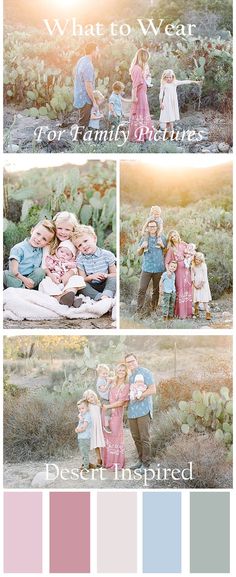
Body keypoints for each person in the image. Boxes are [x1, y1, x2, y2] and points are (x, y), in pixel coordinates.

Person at [125, 353, 156, 474]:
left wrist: (142, 395)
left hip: (143, 410)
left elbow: (153, 389)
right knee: (136, 437)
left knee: (144, 437)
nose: (130, 363)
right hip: (132, 411)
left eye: (132, 361)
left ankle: (146, 463)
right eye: (128, 362)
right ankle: (140, 460)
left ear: (137, 360)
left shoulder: (146, 372)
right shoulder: (131, 376)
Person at [3, 219, 56, 289]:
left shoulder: (41, 250)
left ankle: (24, 290)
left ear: (47, 243)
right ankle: (23, 290)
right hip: (16, 277)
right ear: (32, 230)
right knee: (5, 274)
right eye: (38, 234)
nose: (39, 239)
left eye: (44, 239)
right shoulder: (19, 248)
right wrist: (25, 280)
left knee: (40, 272)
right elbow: (14, 271)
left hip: (31, 279)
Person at [73, 225, 116, 301]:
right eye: (80, 245)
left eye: (85, 241)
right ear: (78, 248)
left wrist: (106, 275)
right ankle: (99, 297)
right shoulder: (80, 259)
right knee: (80, 284)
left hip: (105, 284)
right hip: (92, 286)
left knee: (113, 279)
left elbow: (114, 274)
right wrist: (92, 277)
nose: (84, 246)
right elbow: (83, 279)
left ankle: (106, 295)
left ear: (94, 238)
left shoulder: (107, 255)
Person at [39, 240, 85, 307]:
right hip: (54, 280)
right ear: (57, 251)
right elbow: (46, 267)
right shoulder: (52, 259)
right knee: (45, 282)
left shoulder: (71, 263)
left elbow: (76, 269)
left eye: (67, 254)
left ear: (72, 257)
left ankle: (68, 296)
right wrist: (51, 274)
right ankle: (63, 298)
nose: (63, 254)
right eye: (61, 251)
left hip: (66, 284)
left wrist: (69, 274)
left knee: (77, 278)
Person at [101, 363, 130, 471]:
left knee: (115, 435)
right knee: (107, 436)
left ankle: (116, 463)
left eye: (123, 370)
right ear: (116, 371)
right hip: (106, 412)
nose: (121, 372)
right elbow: (104, 378)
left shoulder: (126, 385)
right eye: (119, 370)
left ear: (126, 372)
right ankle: (107, 462)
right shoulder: (113, 382)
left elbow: (121, 402)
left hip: (116, 413)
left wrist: (108, 406)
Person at [136, 220, 166, 314]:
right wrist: (142, 247)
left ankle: (154, 309)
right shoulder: (144, 238)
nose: (152, 228)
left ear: (157, 228)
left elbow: (166, 251)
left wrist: (162, 245)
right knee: (142, 289)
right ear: (147, 228)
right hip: (147, 268)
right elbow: (139, 253)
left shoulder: (162, 237)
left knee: (156, 291)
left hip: (159, 268)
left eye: (153, 226)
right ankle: (139, 311)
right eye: (150, 226)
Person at [159, 69, 201, 135]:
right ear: (165, 77)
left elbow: (184, 82)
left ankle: (170, 131)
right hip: (166, 101)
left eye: (170, 77)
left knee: (171, 115)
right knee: (167, 116)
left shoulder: (175, 82)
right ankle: (170, 131)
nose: (168, 79)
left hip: (173, 101)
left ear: (172, 77)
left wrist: (194, 82)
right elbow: (161, 94)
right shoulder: (164, 83)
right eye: (167, 77)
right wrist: (161, 103)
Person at [73, 42, 99, 140]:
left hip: (79, 95)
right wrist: (94, 101)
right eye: (97, 50)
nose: (98, 52)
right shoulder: (88, 65)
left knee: (82, 120)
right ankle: (79, 143)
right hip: (85, 98)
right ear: (93, 51)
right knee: (83, 122)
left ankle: (80, 141)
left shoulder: (81, 60)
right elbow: (88, 85)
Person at [165, 230, 193, 319]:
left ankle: (188, 312)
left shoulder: (184, 245)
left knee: (187, 289)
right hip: (177, 271)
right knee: (180, 289)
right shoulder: (171, 249)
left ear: (178, 235)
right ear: (171, 239)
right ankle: (180, 313)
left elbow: (192, 253)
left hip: (186, 269)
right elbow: (166, 262)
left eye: (175, 235)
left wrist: (189, 260)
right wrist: (168, 271)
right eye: (172, 236)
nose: (174, 237)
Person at [129, 48, 154, 143]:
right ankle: (138, 136)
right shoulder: (137, 69)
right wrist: (134, 97)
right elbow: (135, 85)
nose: (147, 60)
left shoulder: (140, 69)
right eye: (146, 58)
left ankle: (144, 134)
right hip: (139, 96)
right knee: (139, 114)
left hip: (142, 95)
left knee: (143, 114)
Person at [82, 389, 105, 468]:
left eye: (91, 397)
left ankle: (104, 459)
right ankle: (98, 459)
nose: (91, 399)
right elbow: (83, 411)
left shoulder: (98, 404)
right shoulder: (88, 406)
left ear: (94, 395)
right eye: (88, 398)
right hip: (93, 427)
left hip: (100, 426)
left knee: (101, 442)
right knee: (95, 443)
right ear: (87, 400)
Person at [191, 252, 212, 320]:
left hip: (203, 284)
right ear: (194, 259)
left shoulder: (203, 265)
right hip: (196, 283)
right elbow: (192, 276)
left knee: (204, 299)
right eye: (196, 259)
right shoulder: (193, 266)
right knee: (196, 299)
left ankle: (208, 313)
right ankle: (196, 311)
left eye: (199, 260)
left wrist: (200, 285)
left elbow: (204, 277)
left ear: (201, 260)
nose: (197, 261)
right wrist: (194, 284)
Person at [96, 364, 114, 434]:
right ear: (99, 373)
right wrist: (108, 383)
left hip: (107, 397)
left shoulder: (103, 378)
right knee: (108, 411)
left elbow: (109, 379)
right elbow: (103, 390)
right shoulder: (100, 381)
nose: (105, 375)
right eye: (103, 373)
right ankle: (106, 425)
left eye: (107, 373)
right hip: (104, 398)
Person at [75, 399, 92, 471]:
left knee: (85, 452)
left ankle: (86, 466)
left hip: (85, 437)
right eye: (79, 409)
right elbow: (80, 424)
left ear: (87, 408)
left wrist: (77, 430)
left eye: (83, 408)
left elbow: (84, 427)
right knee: (83, 451)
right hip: (81, 437)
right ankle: (85, 464)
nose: (81, 410)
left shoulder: (87, 416)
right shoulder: (82, 415)